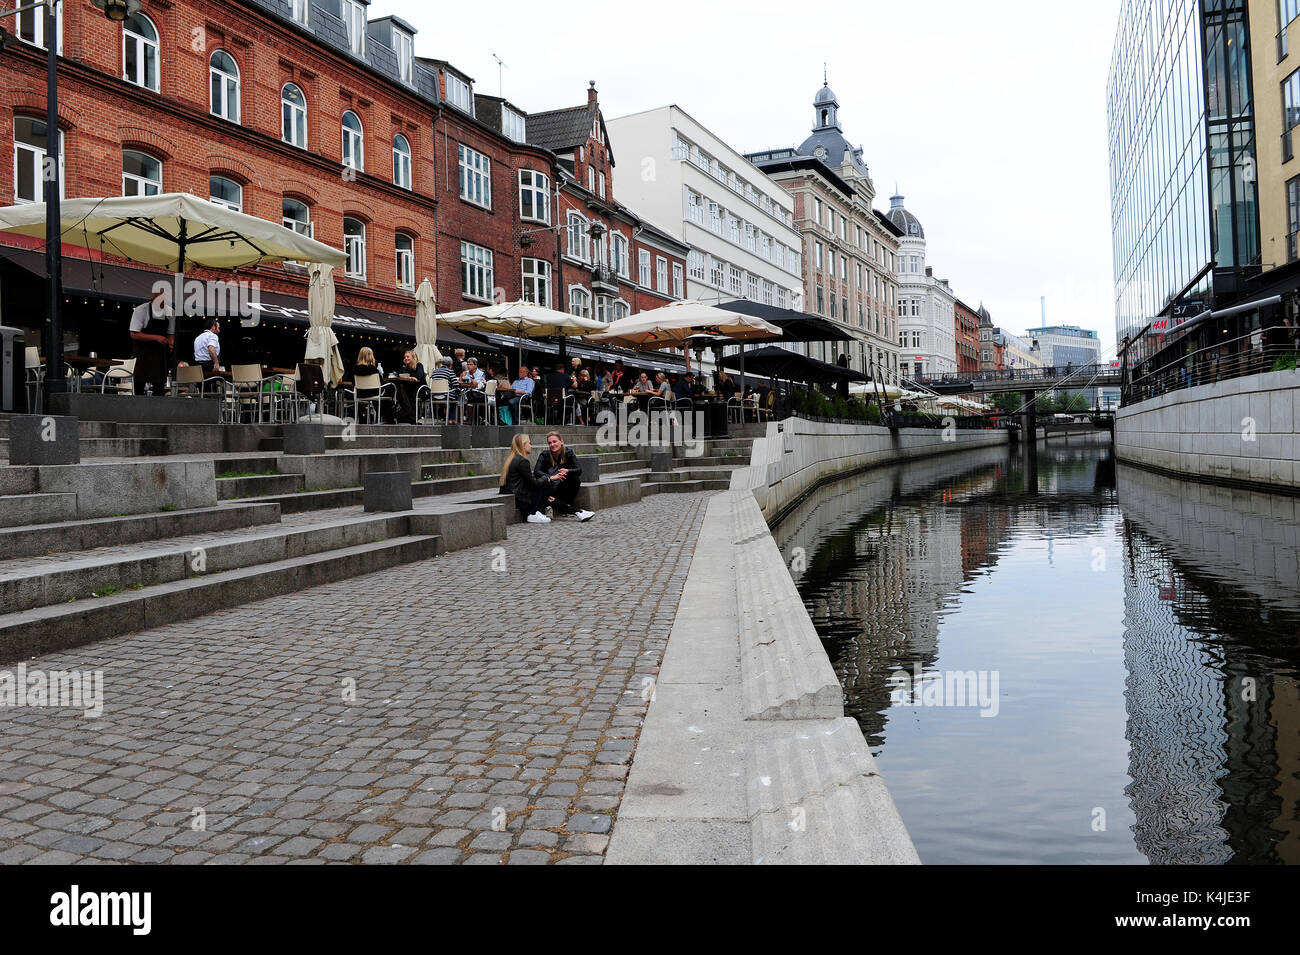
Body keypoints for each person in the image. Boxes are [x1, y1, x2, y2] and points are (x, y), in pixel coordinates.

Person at [499, 433, 561, 524]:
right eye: (529, 443)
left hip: (512, 493)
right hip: (519, 497)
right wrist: (547, 478)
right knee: (547, 485)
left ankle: (536, 512)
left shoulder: (512, 458)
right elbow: (533, 484)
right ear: (523, 446)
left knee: (543, 482)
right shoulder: (523, 461)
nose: (531, 446)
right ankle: (532, 513)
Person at [534, 431, 594, 521]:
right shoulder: (544, 455)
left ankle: (567, 505)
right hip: (549, 489)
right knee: (547, 483)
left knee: (575, 479)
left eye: (554, 441)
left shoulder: (569, 452)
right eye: (550, 443)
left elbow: (579, 470)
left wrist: (567, 471)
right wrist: (550, 477)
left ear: (561, 441)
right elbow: (536, 471)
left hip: (561, 487)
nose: (552, 444)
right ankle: (551, 507)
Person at [128, 286, 174, 396]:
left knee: (159, 386)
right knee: (139, 384)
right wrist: (156, 338)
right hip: (143, 353)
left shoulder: (170, 312)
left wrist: (171, 343)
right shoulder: (141, 310)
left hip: (160, 354)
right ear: (153, 299)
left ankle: (157, 408)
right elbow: (134, 334)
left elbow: (171, 333)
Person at [393, 349, 425, 424]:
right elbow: (400, 375)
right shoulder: (406, 366)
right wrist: (404, 366)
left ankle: (411, 416)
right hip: (409, 388)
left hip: (420, 389)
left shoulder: (419, 365)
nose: (406, 358)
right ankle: (409, 416)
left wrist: (410, 377)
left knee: (403, 391)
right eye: (405, 357)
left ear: (413, 357)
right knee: (399, 389)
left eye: (408, 357)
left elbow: (418, 376)